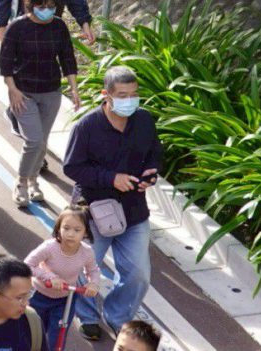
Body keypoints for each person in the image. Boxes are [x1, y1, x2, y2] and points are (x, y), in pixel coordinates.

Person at [64, 66, 161, 342]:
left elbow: (155, 151)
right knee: (83, 267)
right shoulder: (87, 127)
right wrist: (110, 179)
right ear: (105, 95)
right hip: (93, 211)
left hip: (133, 210)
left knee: (139, 274)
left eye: (133, 94)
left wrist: (151, 173)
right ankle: (88, 316)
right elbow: (72, 167)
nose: (129, 100)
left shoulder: (144, 120)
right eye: (122, 95)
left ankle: (118, 316)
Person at [0, 0, 80, 207]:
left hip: (51, 92)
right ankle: (22, 181)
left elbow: (67, 59)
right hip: (23, 93)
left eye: (51, 6)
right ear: (31, 4)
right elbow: (5, 63)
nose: (47, 11)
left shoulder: (58, 27)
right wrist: (12, 90)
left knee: (42, 142)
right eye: (41, 6)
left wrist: (73, 89)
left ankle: (34, 181)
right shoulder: (18, 27)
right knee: (33, 141)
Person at [24, 206, 101, 349]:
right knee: (33, 332)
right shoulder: (50, 247)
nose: (70, 234)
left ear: (85, 232)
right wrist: (49, 277)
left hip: (65, 300)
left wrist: (93, 284)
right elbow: (27, 265)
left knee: (58, 335)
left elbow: (93, 271)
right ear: (58, 228)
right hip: (38, 296)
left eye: (77, 230)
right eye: (66, 228)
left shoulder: (87, 252)